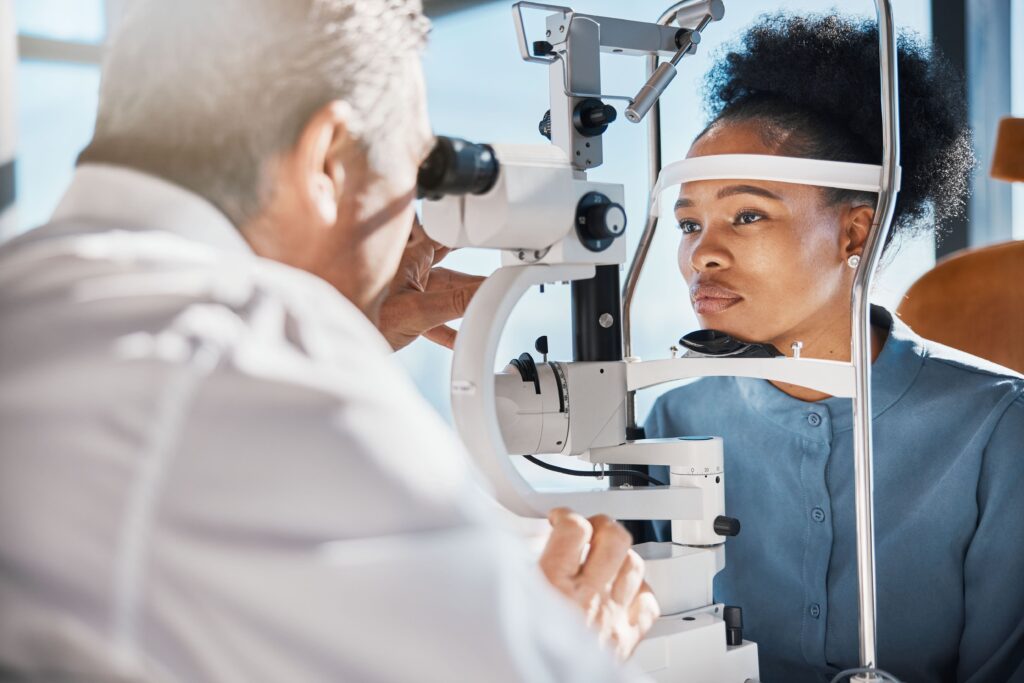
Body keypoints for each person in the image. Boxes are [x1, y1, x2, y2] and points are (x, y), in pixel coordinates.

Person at [0, 2, 658, 681]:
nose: (411, 225)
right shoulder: (261, 356)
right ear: (326, 158)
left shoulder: (33, 296)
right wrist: (570, 641)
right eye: (414, 173)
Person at [644, 13, 1024, 682]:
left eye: (748, 214)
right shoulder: (674, 424)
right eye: (689, 222)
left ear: (855, 232)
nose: (702, 252)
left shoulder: (998, 424)